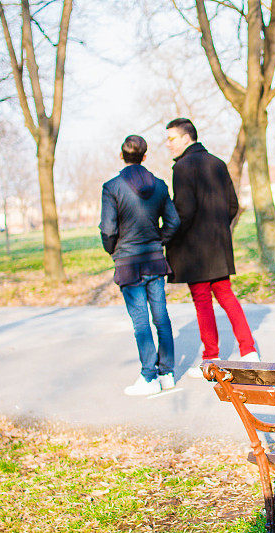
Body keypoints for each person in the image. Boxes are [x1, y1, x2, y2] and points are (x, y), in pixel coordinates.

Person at [164, 118, 259, 378]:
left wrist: (168, 237)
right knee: (226, 296)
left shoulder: (182, 167)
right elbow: (232, 205)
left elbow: (184, 211)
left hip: (195, 250)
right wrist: (217, 229)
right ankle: (249, 350)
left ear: (186, 138)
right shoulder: (218, 163)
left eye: (171, 138)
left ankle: (211, 359)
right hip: (218, 245)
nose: (168, 144)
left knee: (203, 302)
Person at [100, 135, 180, 396]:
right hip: (154, 260)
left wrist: (113, 249)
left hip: (129, 262)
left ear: (121, 156)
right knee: (161, 318)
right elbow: (173, 222)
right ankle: (167, 373)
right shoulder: (159, 185)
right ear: (145, 156)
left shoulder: (111, 187)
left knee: (141, 322)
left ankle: (149, 377)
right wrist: (159, 240)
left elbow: (108, 228)